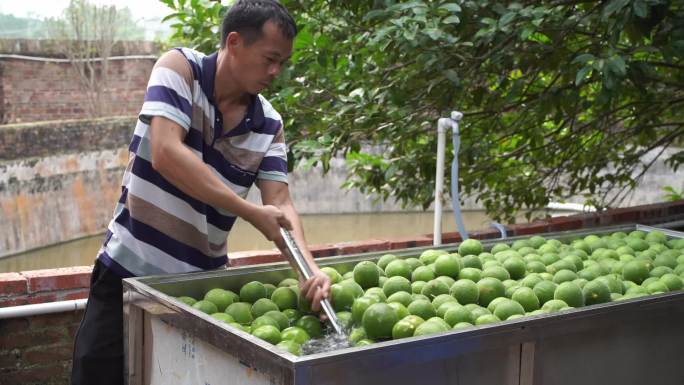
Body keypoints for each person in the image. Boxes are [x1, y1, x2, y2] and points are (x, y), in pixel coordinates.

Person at [71, 1, 331, 384]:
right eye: (270, 59)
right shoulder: (180, 69)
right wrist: (248, 210)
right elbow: (166, 153)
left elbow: (280, 203)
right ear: (235, 41)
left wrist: (310, 270)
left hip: (200, 293)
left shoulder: (269, 124)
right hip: (126, 274)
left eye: (283, 63)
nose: (276, 72)